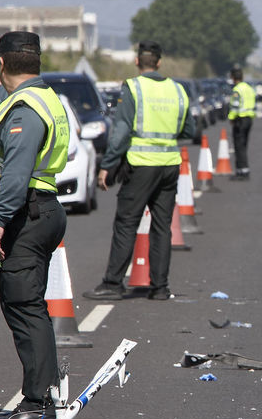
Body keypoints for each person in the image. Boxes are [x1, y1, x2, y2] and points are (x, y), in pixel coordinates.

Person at [0, 31, 69, 419]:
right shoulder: (38, 98)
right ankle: (46, 391)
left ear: (0, 63)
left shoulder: (26, 107)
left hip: (24, 215)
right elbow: (19, 128)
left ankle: (39, 400)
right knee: (30, 306)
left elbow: (15, 171)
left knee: (24, 307)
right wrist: (2, 95)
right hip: (42, 209)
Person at [83, 41, 194, 302]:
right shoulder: (178, 90)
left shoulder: (133, 87)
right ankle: (160, 288)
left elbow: (121, 132)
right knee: (162, 227)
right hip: (169, 166)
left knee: (126, 224)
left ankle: (112, 283)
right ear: (158, 62)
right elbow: (188, 130)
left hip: (142, 165)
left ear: (137, 62)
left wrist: (108, 165)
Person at [227, 67, 256, 180]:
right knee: (244, 144)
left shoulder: (237, 90)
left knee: (239, 146)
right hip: (249, 119)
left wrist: (231, 118)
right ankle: (242, 170)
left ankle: (242, 171)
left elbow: (235, 106)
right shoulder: (249, 88)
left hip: (240, 120)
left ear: (233, 78)